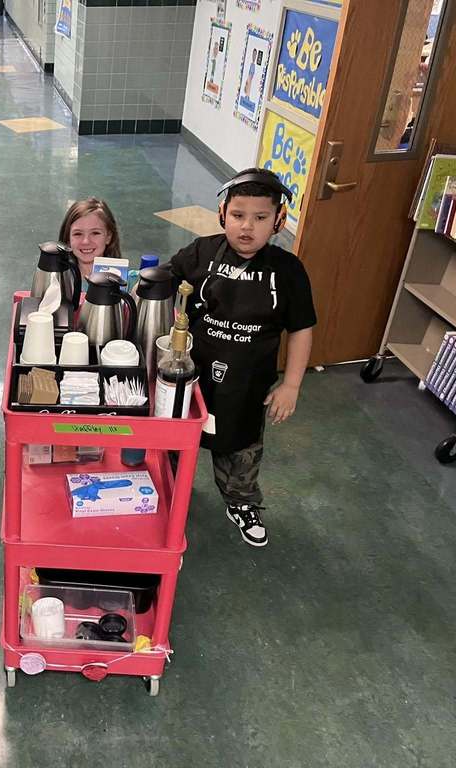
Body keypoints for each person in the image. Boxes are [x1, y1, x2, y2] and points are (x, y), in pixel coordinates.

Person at [167, 168, 316, 548]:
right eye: (238, 215)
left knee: (241, 449)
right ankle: (168, 496)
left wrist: (292, 384)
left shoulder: (288, 271)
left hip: (247, 384)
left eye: (261, 217)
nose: (247, 227)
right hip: (190, 376)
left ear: (278, 220)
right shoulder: (201, 251)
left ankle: (241, 502)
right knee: (173, 442)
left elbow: (301, 328)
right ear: (222, 214)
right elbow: (163, 279)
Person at [57, 198, 122, 279]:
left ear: (108, 237)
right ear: (68, 239)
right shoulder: (57, 281)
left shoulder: (131, 283)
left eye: (95, 233)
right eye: (78, 234)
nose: (86, 241)